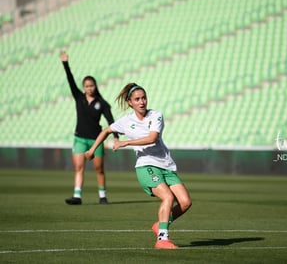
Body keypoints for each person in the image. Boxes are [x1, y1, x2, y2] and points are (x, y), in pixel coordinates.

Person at [85, 83, 192, 249]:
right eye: (137, 99)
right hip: (146, 165)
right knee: (168, 197)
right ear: (130, 103)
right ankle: (162, 240)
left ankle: (160, 225)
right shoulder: (126, 121)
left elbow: (152, 139)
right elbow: (106, 130)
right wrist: (92, 150)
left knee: (185, 202)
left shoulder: (156, 115)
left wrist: (125, 142)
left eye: (144, 98)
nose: (142, 102)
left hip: (166, 165)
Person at [60, 51, 118, 205]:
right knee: (79, 167)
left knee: (99, 168)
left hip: (95, 140)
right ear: (83, 87)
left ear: (95, 86)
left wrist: (116, 137)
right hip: (79, 137)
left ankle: (102, 196)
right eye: (86, 86)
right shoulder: (79, 98)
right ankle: (77, 196)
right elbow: (70, 81)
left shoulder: (102, 103)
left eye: (91, 85)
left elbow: (111, 121)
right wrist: (65, 64)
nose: (89, 88)